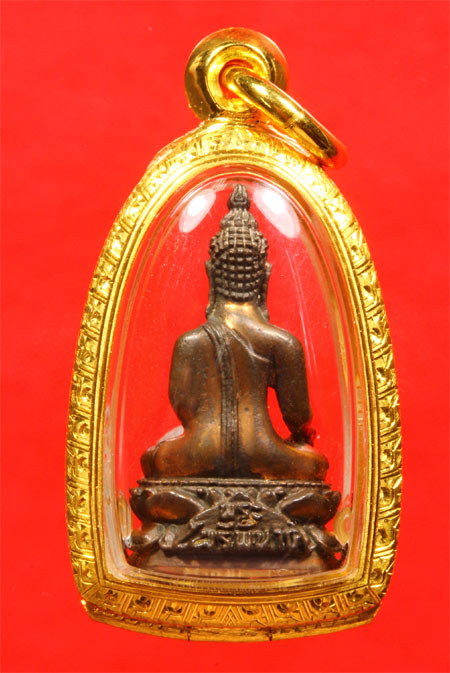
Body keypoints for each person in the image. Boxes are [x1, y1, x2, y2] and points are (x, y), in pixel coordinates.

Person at [141, 185, 328, 482]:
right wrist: (300, 438)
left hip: (197, 454)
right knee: (315, 464)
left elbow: (184, 408)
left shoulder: (190, 343)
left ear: (211, 274)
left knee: (154, 459)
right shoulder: (282, 343)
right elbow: (298, 417)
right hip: (266, 454)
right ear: (264, 275)